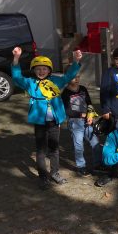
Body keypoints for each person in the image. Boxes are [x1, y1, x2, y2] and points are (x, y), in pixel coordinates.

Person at [11, 47, 82, 189]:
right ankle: (43, 177)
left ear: (49, 70)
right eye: (38, 69)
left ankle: (55, 173)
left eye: (44, 69)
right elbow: (17, 77)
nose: (41, 71)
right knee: (41, 151)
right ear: (34, 70)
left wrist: (76, 61)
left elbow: (69, 76)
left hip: (54, 122)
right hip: (40, 122)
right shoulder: (30, 83)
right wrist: (16, 58)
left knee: (54, 149)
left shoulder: (56, 81)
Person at [61, 74, 102, 177]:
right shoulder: (65, 93)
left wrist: (91, 115)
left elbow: (89, 104)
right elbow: (68, 111)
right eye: (73, 77)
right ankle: (81, 167)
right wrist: (82, 114)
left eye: (78, 76)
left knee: (95, 142)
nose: (77, 79)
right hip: (75, 122)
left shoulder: (83, 89)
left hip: (87, 120)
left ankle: (98, 164)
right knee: (79, 145)